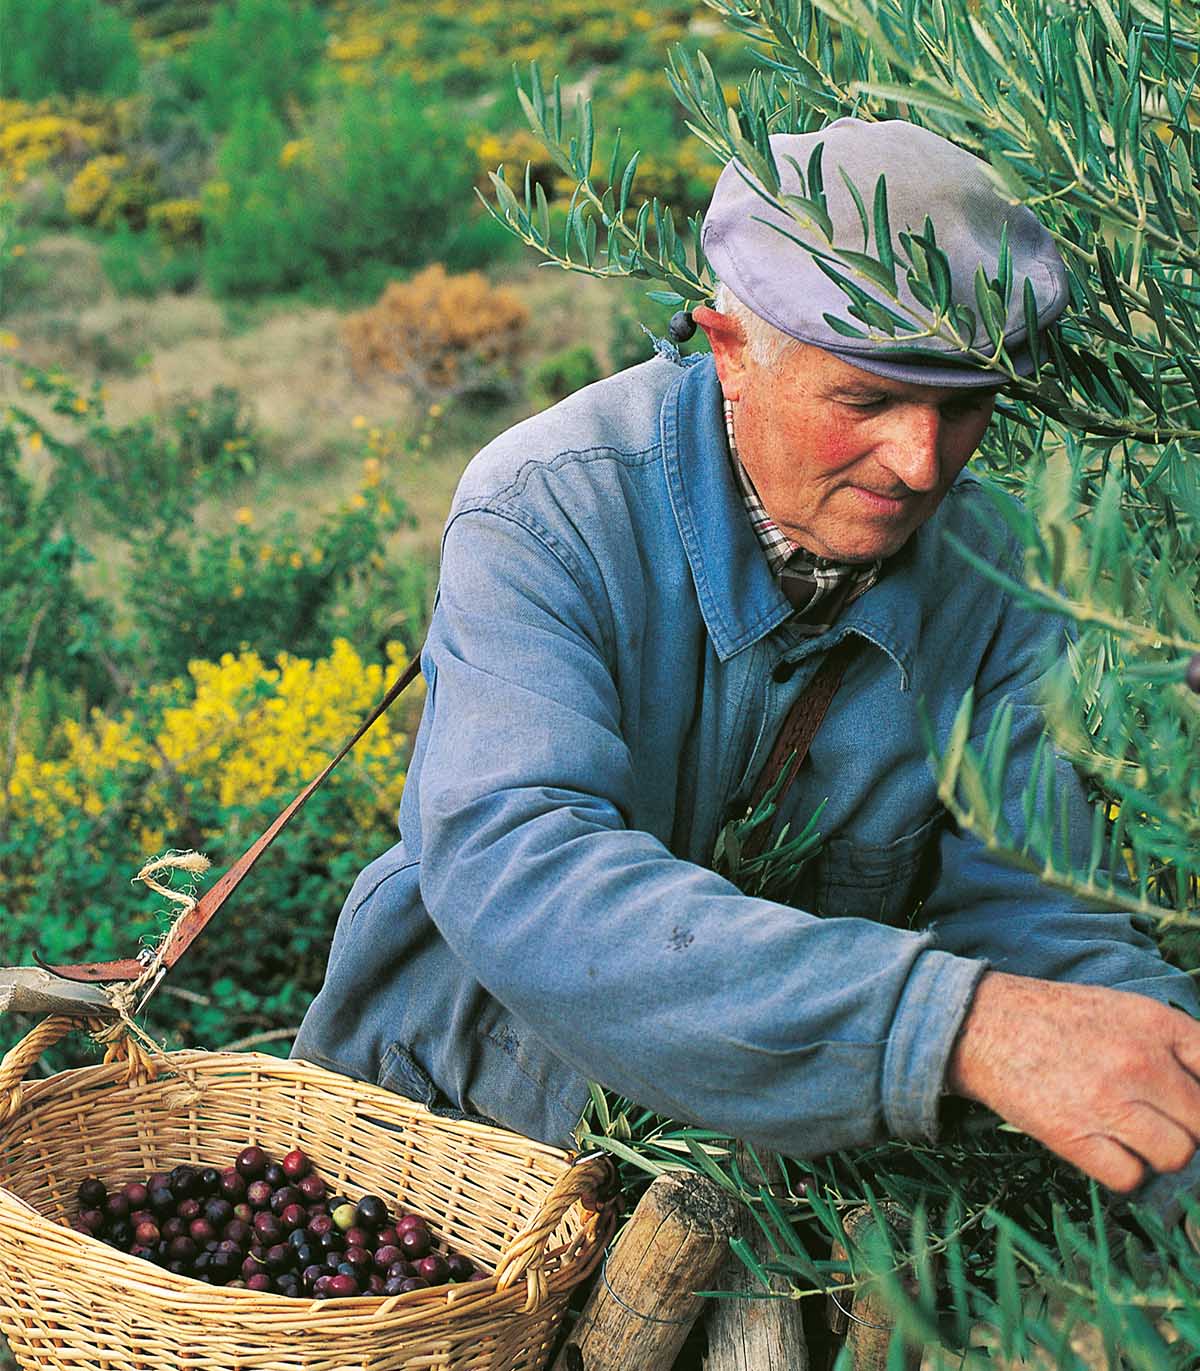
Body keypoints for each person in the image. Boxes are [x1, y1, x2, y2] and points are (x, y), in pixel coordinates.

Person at [294, 118, 1200, 1217]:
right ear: (731, 351)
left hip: (764, 1186)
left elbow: (1042, 915)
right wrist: (952, 1027)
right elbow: (519, 862)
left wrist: (1172, 1092)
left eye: (962, 407)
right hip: (456, 1126)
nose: (920, 464)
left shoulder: (997, 574)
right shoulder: (549, 503)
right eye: (864, 401)